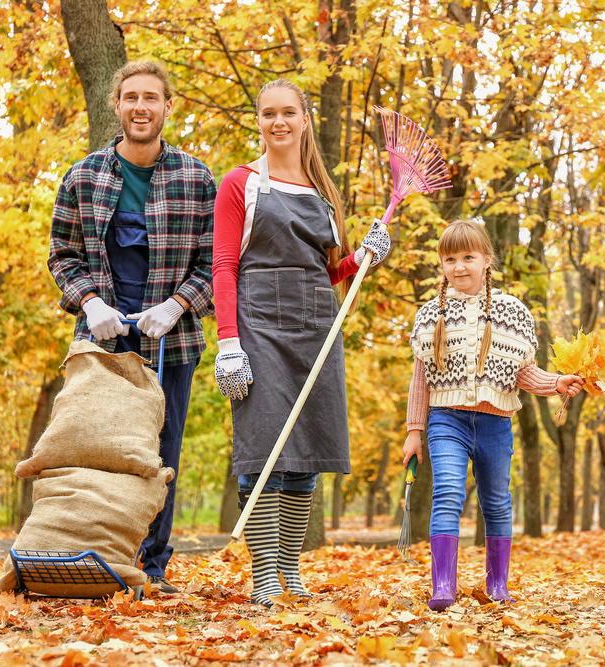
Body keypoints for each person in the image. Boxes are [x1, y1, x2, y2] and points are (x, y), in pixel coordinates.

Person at [211, 78, 390, 607]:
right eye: (268, 114)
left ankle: (290, 570)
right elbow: (224, 266)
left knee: (307, 451)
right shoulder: (239, 183)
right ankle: (264, 574)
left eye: (289, 112)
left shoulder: (325, 192)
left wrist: (366, 259)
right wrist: (228, 344)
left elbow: (332, 272)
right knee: (264, 447)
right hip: (258, 326)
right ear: (259, 121)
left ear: (306, 118)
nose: (278, 122)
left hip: (317, 329)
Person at [47, 61, 216, 594]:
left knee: (160, 455)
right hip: (100, 342)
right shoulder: (82, 176)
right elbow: (62, 256)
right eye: (131, 97)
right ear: (116, 106)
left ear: (168, 107)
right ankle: (83, 555)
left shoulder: (197, 178)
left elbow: (216, 263)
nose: (141, 106)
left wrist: (177, 306)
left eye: (152, 97)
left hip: (172, 342)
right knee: (90, 446)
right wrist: (90, 303)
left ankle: (150, 566)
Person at [402, 220, 584, 611]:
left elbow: (522, 373)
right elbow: (421, 380)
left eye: (468, 256)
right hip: (445, 420)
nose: (459, 266)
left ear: (487, 260)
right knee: (448, 492)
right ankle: (444, 585)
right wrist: (414, 431)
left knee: (497, 501)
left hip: (495, 422)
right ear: (442, 264)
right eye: (450, 258)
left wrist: (557, 383)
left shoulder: (512, 313)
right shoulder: (430, 315)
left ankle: (497, 584)